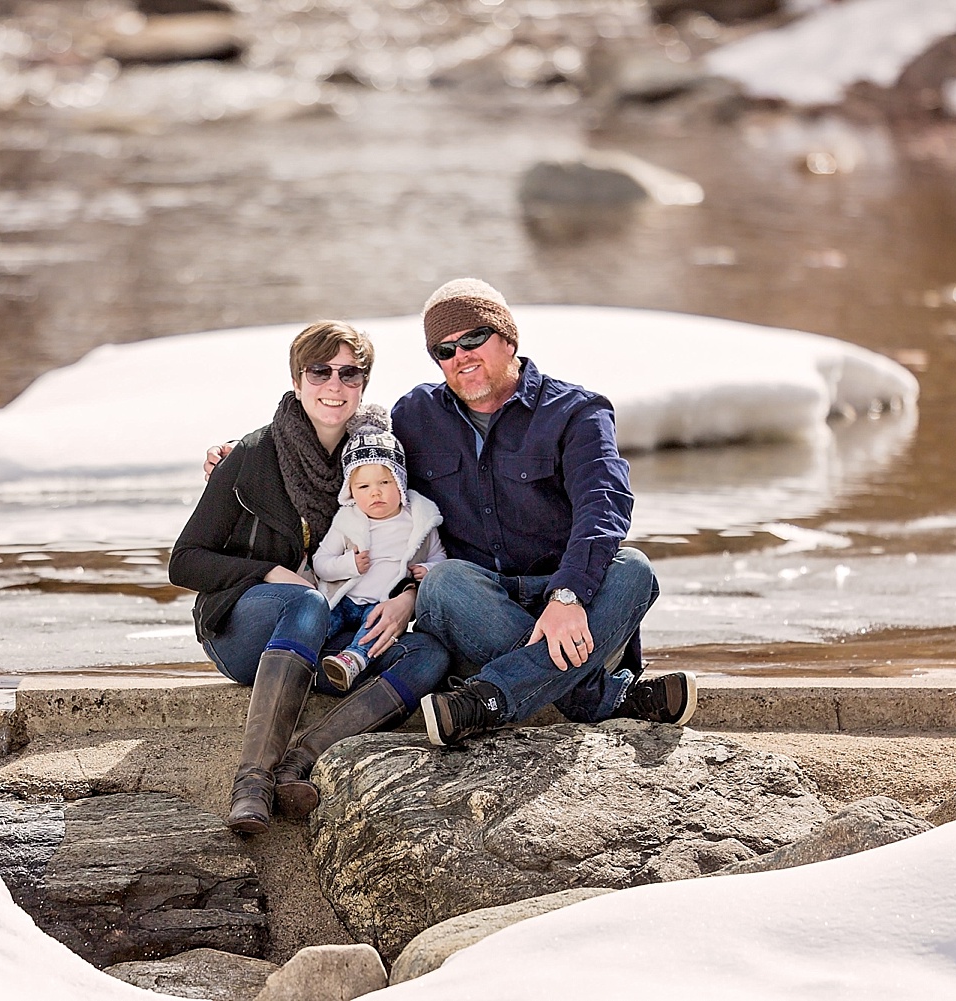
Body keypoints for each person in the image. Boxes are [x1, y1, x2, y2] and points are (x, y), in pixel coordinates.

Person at [168, 320, 450, 835]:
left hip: (331, 631)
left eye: (349, 373)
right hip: (247, 625)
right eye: (319, 372)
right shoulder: (252, 456)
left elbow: (413, 541)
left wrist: (410, 594)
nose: (334, 386)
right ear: (297, 382)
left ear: (363, 384)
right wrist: (272, 573)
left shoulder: (375, 459)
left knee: (428, 653)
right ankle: (251, 782)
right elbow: (184, 561)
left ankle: (301, 760)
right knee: (308, 604)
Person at [395, 278, 695, 746]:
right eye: (444, 350)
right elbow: (360, 470)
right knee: (444, 581)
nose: (461, 357)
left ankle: (488, 698)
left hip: (570, 609)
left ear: (509, 339)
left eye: (473, 339)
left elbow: (605, 505)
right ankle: (600, 699)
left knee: (634, 568)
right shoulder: (414, 415)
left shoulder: (577, 412)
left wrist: (567, 597)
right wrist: (248, 451)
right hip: (478, 610)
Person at [311, 408, 446, 692]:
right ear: (350, 490)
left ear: (399, 481)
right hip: (346, 598)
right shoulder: (348, 520)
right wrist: (349, 564)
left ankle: (353, 660)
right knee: (320, 624)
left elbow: (440, 558)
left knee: (375, 630)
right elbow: (321, 562)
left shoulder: (419, 520)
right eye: (363, 486)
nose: (375, 492)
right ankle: (302, 662)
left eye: (384, 482)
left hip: (383, 603)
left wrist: (429, 570)